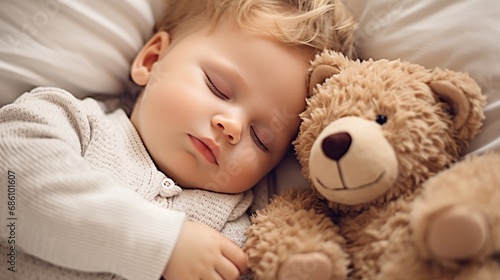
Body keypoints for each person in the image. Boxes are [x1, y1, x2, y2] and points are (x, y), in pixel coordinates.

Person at [0, 0, 356, 279]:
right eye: (218, 87)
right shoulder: (73, 122)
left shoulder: (238, 229)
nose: (232, 126)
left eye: (262, 139)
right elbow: (11, 181)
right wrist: (160, 243)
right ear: (153, 59)